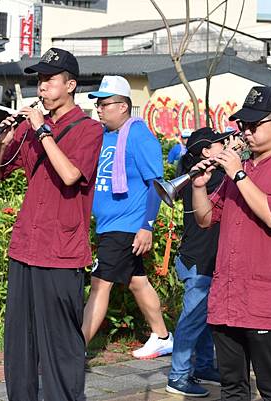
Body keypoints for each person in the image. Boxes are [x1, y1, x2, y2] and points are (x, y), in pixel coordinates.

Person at [0, 47, 103, 401]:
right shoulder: (31, 127)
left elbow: (69, 175)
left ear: (70, 85)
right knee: (19, 343)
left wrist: (42, 131)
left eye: (49, 80)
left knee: (62, 346)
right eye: (39, 80)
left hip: (61, 252)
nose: (42, 87)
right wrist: (2, 139)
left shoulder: (89, 130)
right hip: (24, 247)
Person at [192, 86, 271, 401]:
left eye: (254, 125)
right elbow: (205, 219)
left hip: (264, 298)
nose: (245, 132)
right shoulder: (238, 172)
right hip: (226, 296)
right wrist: (199, 186)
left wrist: (238, 174)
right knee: (231, 388)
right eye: (242, 125)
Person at [82, 75, 173, 359]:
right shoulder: (104, 136)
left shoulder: (139, 135)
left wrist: (146, 227)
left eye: (105, 104)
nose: (99, 109)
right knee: (137, 281)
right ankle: (162, 336)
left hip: (125, 227)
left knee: (99, 284)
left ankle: (75, 349)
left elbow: (156, 186)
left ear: (123, 106)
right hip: (109, 224)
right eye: (97, 104)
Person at [166, 127, 229, 397]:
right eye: (220, 144)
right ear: (206, 152)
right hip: (200, 258)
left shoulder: (203, 175)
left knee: (204, 318)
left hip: (199, 256)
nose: (226, 145)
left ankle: (203, 365)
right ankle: (178, 376)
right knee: (192, 320)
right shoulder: (210, 179)